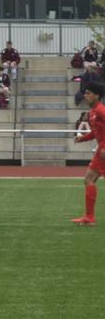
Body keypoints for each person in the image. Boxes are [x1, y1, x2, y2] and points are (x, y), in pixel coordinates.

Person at [72, 81, 105, 225]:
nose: (85, 96)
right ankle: (89, 217)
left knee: (89, 180)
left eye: (88, 93)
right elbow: (96, 132)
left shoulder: (100, 110)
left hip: (103, 151)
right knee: (89, 180)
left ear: (97, 95)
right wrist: (83, 138)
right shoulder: (92, 112)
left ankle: (89, 218)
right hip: (101, 151)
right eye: (85, 93)